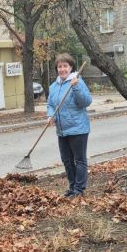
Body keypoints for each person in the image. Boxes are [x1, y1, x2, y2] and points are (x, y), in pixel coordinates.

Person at [47, 53, 92, 197]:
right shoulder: (54, 86)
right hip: (62, 130)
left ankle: (79, 190)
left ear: (70, 67)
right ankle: (72, 187)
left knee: (79, 160)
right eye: (59, 66)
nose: (62, 69)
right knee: (67, 161)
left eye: (65, 66)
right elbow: (50, 104)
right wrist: (50, 116)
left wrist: (76, 87)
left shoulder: (77, 81)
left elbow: (86, 102)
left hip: (78, 129)